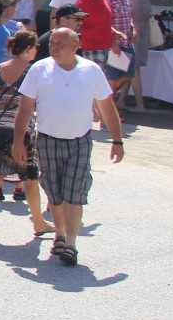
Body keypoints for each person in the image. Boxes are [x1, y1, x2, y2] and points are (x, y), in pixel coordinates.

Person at [12, 29, 124, 266]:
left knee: (74, 194)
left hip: (80, 141)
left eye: (61, 44)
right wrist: (18, 141)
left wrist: (117, 140)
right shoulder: (39, 69)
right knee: (55, 192)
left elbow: (106, 106)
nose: (55, 47)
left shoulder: (91, 70)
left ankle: (71, 243)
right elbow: (25, 108)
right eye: (52, 43)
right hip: (48, 140)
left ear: (76, 46)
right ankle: (59, 234)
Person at [0, 30, 55, 241]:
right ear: (28, 48)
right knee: (30, 178)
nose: (37, 50)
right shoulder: (33, 71)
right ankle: (38, 222)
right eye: (35, 46)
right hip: (22, 130)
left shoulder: (0, 68)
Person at [76, 0, 122, 70]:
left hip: (107, 47)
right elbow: (76, 24)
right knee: (95, 80)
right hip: (93, 47)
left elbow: (105, 22)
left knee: (109, 78)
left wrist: (114, 35)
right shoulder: (83, 2)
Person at [106, 0, 138, 101]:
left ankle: (106, 97)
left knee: (129, 73)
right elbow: (105, 22)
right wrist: (113, 43)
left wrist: (134, 29)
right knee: (113, 77)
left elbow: (129, 15)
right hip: (115, 43)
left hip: (127, 41)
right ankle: (108, 106)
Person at [125, 0, 153, 110]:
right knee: (127, 72)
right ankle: (121, 101)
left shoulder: (128, 0)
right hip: (143, 38)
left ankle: (140, 105)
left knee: (133, 72)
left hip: (132, 38)